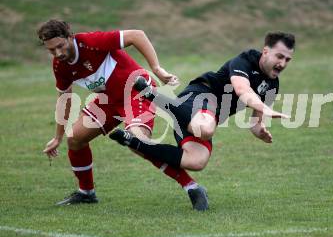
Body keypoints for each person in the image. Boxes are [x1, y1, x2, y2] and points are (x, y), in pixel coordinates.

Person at [38, 19, 208, 210]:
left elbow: (137, 35)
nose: (58, 53)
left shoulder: (90, 42)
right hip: (109, 100)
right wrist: (57, 137)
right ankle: (86, 192)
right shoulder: (60, 66)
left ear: (70, 37)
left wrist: (157, 68)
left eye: (60, 46)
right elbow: (65, 100)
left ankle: (191, 186)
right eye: (52, 50)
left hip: (136, 90)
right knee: (74, 138)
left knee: (137, 142)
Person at [109, 31, 294, 177]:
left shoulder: (272, 85)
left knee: (197, 161)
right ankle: (153, 95)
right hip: (201, 96)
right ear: (266, 51)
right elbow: (242, 90)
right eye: (279, 56)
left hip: (202, 117)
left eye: (287, 59)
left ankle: (133, 141)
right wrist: (265, 108)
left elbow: (255, 122)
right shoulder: (245, 60)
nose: (283, 63)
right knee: (205, 129)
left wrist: (260, 132)